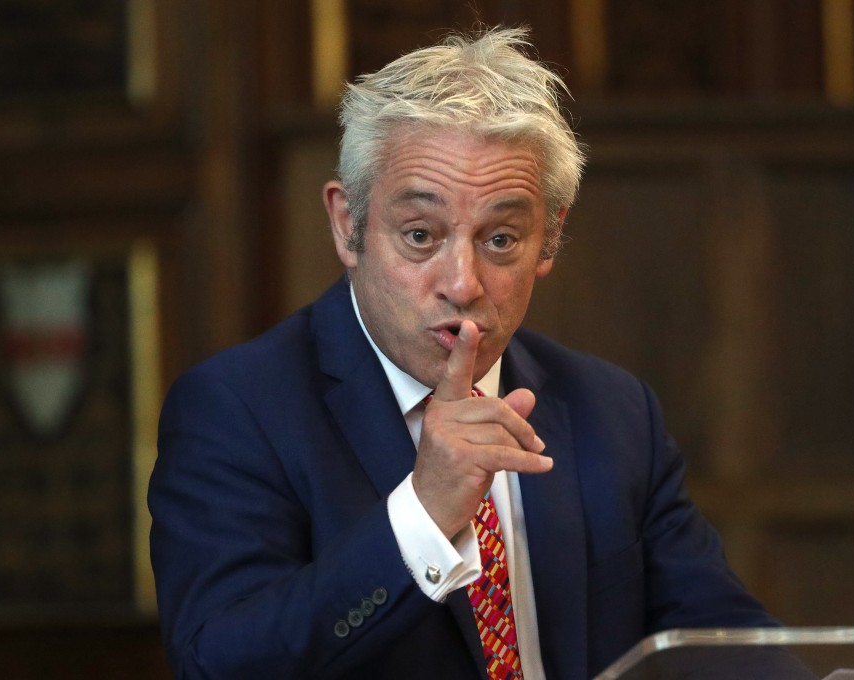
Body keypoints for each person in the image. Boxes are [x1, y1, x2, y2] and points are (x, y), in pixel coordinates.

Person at [148, 27, 780, 679]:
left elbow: (724, 643)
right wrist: (422, 514)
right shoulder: (237, 409)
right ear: (348, 224)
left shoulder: (613, 411)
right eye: (420, 235)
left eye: (502, 239)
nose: (463, 282)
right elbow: (220, 661)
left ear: (551, 239)